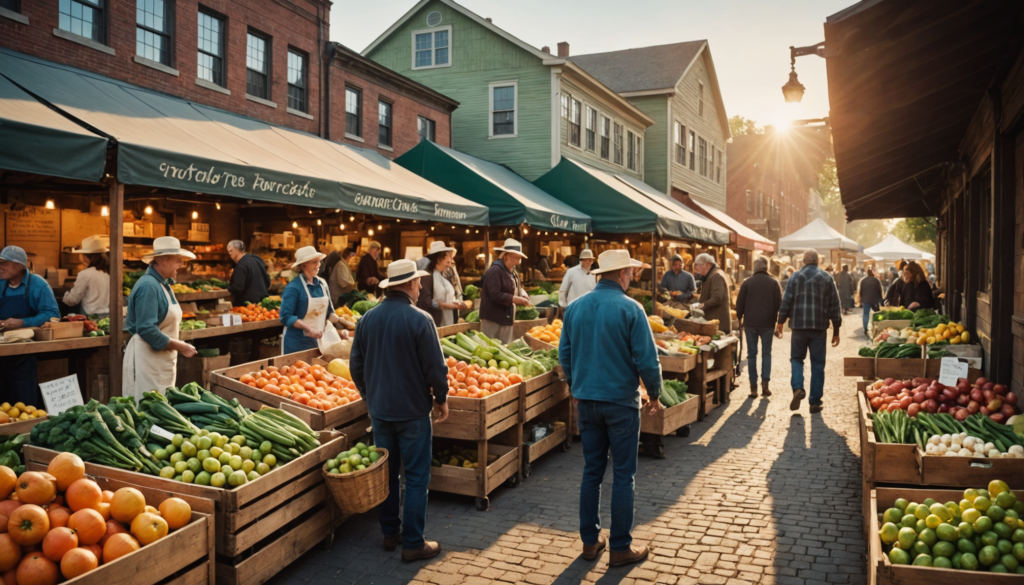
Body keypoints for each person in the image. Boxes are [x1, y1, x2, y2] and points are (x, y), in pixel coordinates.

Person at [559, 249, 661, 567]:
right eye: (630, 272)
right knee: (623, 476)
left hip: (587, 401)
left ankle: (590, 543)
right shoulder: (632, 309)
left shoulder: (575, 308)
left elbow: (564, 354)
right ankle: (619, 547)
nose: (632, 276)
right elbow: (647, 359)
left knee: (592, 471)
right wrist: (655, 395)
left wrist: (575, 386)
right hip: (620, 402)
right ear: (621, 274)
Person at [350, 259, 449, 562]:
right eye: (418, 282)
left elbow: (356, 366)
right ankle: (413, 543)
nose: (420, 287)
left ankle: (390, 532)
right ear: (408, 285)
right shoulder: (421, 320)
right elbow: (435, 369)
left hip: (381, 412)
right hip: (413, 412)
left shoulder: (367, 319)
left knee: (389, 476)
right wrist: (441, 398)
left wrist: (370, 397)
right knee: (417, 478)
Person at [123, 237, 198, 403]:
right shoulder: (149, 286)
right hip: (146, 361)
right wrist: (179, 345)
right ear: (164, 260)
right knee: (147, 410)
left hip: (159, 361)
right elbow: (146, 329)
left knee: (161, 408)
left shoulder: (163, 284)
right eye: (178, 260)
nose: (181, 264)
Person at [775, 249, 842, 414]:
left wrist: (780, 322)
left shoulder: (795, 277)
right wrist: (836, 329)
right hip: (819, 328)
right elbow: (835, 305)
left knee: (797, 359)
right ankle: (815, 402)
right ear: (817, 261)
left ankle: (798, 387)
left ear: (803, 261)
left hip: (798, 327)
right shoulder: (827, 277)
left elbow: (786, 301)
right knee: (818, 364)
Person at [0, 246, 60, 406]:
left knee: (24, 400)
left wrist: (22, 322)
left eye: (4, 263)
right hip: (2, 349)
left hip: (25, 351)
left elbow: (52, 315)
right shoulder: (0, 284)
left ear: (19, 266)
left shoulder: (38, 284)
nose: (0, 268)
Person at [279, 246, 346, 355]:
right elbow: (286, 316)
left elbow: (328, 313)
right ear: (303, 265)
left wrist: (341, 325)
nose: (318, 265)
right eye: (314, 262)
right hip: (297, 344)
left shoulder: (323, 284)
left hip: (320, 342)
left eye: (319, 261)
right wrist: (309, 329)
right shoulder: (294, 287)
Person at [735, 257, 781, 399]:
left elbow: (739, 305)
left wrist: (740, 319)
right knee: (766, 353)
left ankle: (753, 387)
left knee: (751, 354)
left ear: (755, 268)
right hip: (768, 323)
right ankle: (765, 385)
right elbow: (780, 304)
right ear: (766, 267)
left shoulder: (747, 283)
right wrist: (779, 323)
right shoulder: (774, 283)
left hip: (750, 323)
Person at [479, 239, 531, 344]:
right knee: (490, 349)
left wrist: (522, 293)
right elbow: (495, 294)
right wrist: (515, 299)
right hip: (493, 319)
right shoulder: (496, 270)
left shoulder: (511, 271)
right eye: (515, 257)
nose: (518, 260)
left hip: (505, 317)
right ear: (505, 256)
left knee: (505, 348)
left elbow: (510, 288)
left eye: (519, 257)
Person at [417, 241, 468, 327]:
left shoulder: (444, 275)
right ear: (439, 259)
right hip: (435, 321)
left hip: (449, 319)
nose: (450, 264)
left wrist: (456, 302)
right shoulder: (427, 276)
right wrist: (444, 305)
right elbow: (426, 302)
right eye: (447, 262)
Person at [63, 236, 110, 316]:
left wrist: (65, 296)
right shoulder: (109, 272)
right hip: (108, 317)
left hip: (91, 317)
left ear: (86, 257)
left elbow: (73, 300)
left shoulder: (84, 274)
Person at [693, 253, 731, 332]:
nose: (696, 268)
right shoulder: (713, 274)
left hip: (719, 326)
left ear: (707, 265)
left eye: (698, 265)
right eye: (695, 265)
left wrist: (702, 305)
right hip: (713, 325)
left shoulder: (717, 275)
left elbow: (717, 298)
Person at [226, 240, 271, 307]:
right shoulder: (258, 259)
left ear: (238, 250)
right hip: (263, 305)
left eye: (231, 251)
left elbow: (238, 288)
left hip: (248, 307)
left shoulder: (241, 266)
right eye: (228, 251)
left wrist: (228, 289)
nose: (229, 253)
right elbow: (267, 282)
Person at [858, 268, 883, 337]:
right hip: (875, 300)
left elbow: (860, 291)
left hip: (866, 300)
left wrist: (861, 299)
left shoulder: (863, 280)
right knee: (877, 314)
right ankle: (877, 327)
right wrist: (881, 301)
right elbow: (880, 291)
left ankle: (865, 329)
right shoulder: (876, 280)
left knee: (865, 314)